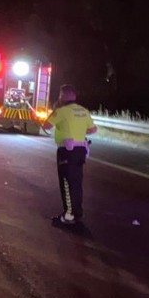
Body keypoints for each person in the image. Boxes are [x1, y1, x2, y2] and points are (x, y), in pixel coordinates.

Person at [42, 84, 97, 225]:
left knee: (66, 182)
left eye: (60, 95)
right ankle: (77, 212)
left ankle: (68, 215)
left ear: (63, 96)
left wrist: (56, 110)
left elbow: (46, 125)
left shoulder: (62, 111)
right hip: (81, 151)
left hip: (67, 151)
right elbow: (92, 130)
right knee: (77, 182)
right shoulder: (84, 111)